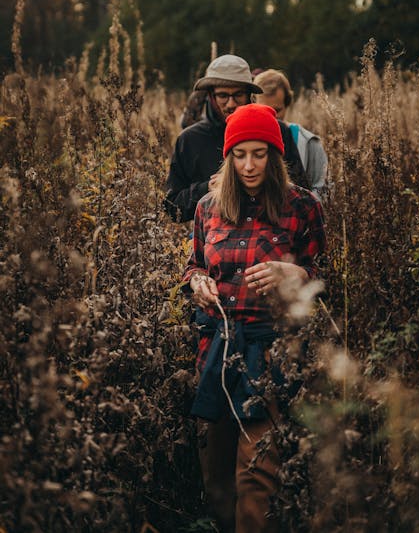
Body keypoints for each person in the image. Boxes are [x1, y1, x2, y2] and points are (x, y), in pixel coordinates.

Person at [182, 103, 326, 533]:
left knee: (256, 473)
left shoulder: (301, 206)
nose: (248, 165)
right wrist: (197, 282)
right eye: (239, 154)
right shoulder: (208, 207)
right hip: (216, 350)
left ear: (275, 155)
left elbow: (325, 275)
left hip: (270, 351)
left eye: (259, 153)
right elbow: (193, 264)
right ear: (227, 156)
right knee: (216, 475)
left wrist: (295, 273)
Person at [164, 55, 310, 222]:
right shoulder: (190, 140)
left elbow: (301, 192)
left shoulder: (277, 130)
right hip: (212, 242)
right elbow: (172, 207)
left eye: (238, 94)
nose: (231, 103)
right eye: (223, 96)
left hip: (272, 236)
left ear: (249, 95)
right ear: (211, 96)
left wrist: (264, 183)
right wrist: (207, 188)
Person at [253, 69, 328, 200]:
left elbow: (322, 188)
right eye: (264, 110)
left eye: (277, 110)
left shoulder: (309, 142)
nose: (272, 117)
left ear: (287, 104)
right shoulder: (246, 142)